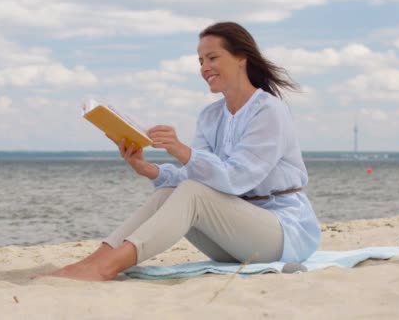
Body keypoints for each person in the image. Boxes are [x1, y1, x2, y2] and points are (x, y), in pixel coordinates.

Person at [49, 21, 320, 281]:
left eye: (212, 57)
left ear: (242, 57)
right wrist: (148, 169)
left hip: (284, 235)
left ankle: (108, 267)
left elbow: (236, 179)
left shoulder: (268, 110)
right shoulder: (210, 115)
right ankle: (92, 262)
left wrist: (182, 151)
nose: (205, 67)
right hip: (234, 238)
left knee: (192, 193)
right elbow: (198, 178)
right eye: (201, 61)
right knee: (169, 192)